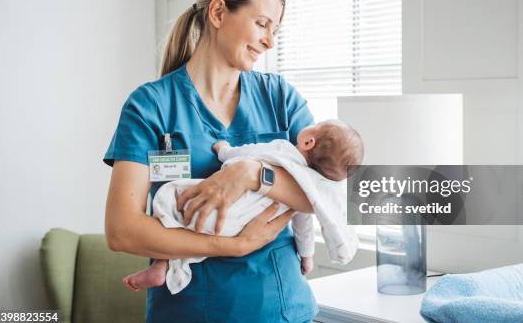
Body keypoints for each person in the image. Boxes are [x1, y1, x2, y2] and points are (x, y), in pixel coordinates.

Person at [104, 0, 322, 323]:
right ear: (219, 11)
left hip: (283, 315)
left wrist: (253, 173)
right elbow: (122, 229)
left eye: (275, 30)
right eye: (262, 23)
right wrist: (231, 246)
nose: (269, 40)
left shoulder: (280, 98)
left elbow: (328, 190)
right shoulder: (151, 106)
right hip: (190, 318)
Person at [122, 120, 364, 294]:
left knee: (170, 201)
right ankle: (166, 265)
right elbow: (305, 221)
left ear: (309, 141)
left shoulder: (283, 147)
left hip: (217, 210)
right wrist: (307, 255)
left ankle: (162, 263)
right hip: (239, 227)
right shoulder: (307, 186)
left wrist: (225, 151)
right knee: (194, 234)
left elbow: (247, 152)